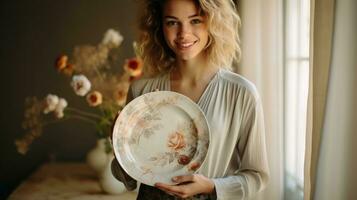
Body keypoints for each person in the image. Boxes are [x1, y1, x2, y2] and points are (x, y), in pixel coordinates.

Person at [111, 0, 269, 199]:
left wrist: (212, 186)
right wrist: (118, 145)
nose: (183, 34)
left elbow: (257, 177)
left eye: (195, 21)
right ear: (159, 26)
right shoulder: (141, 92)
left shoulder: (241, 93)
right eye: (172, 22)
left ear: (213, 22)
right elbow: (129, 179)